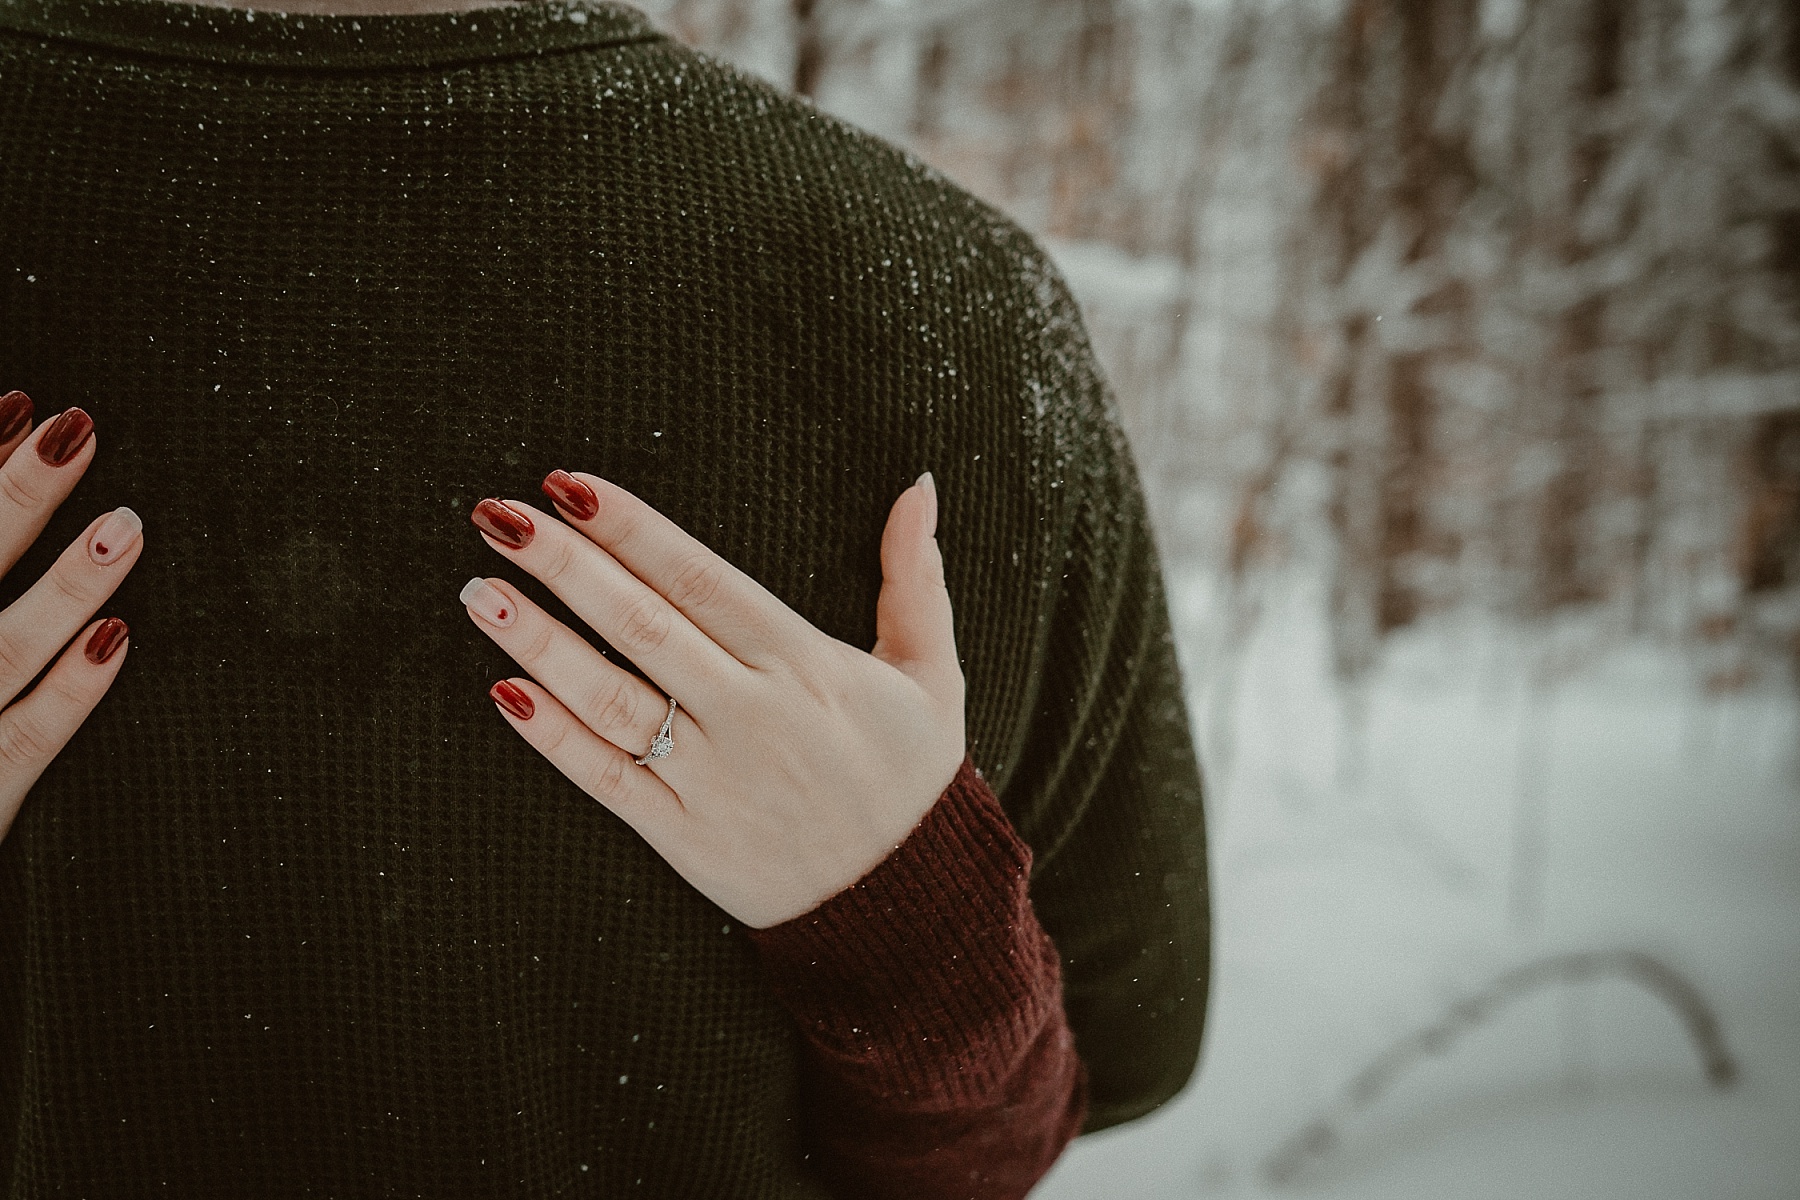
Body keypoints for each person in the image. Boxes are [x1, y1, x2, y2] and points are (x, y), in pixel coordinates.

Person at [0, 0, 1211, 1193]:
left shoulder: (962, 306)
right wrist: (919, 954)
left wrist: (896, 901)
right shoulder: (955, 300)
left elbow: (1114, 1066)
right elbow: (1097, 1072)